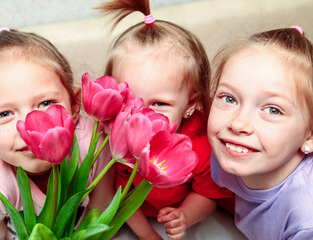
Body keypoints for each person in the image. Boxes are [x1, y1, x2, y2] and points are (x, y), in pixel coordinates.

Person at [0, 28, 114, 239]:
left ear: (75, 106)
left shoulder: (93, 144)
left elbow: (102, 205)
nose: (28, 126)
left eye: (46, 103)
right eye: (4, 113)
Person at [96, 1, 234, 239]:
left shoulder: (201, 141)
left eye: (159, 104)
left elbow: (208, 192)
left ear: (190, 105)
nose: (141, 114)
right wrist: (147, 234)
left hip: (181, 207)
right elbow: (117, 195)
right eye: (129, 99)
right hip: (136, 214)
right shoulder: (116, 136)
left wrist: (185, 215)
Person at [208, 26, 313, 239]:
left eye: (273, 110)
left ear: (309, 136)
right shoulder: (228, 150)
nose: (238, 124)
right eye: (229, 98)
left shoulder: (305, 217)